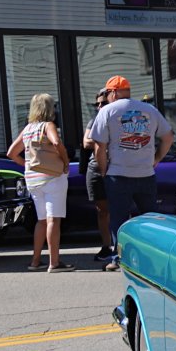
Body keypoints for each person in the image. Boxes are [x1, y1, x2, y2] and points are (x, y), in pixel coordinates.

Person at [89, 75, 173, 271]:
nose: (107, 97)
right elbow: (168, 137)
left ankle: (120, 260)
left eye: (108, 93)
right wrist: (156, 159)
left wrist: (104, 170)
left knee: (119, 220)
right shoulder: (149, 110)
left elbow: (99, 147)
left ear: (113, 92)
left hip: (118, 174)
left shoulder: (108, 111)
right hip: (146, 174)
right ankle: (153, 259)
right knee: (151, 219)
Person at [7, 93, 72, 272]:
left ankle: (35, 261)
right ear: (49, 109)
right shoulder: (48, 125)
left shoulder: (28, 128)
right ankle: (54, 262)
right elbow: (56, 142)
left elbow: (11, 153)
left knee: (41, 220)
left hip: (33, 179)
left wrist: (27, 164)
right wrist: (66, 162)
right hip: (51, 177)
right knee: (53, 220)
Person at [82, 88, 114, 263]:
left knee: (119, 209)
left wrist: (98, 138)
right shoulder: (94, 121)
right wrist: (102, 138)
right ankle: (106, 246)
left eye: (104, 103)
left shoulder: (118, 119)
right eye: (98, 104)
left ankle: (120, 246)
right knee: (102, 211)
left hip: (115, 168)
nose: (100, 106)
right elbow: (86, 142)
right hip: (95, 170)